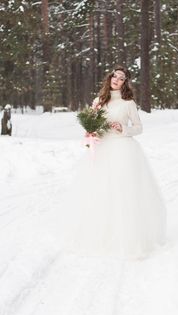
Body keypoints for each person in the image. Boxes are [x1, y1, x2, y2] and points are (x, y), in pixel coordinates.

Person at [49, 65, 167, 260]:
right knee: (98, 191)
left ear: (125, 82)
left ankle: (126, 238)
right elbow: (91, 123)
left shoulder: (128, 103)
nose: (117, 80)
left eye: (121, 78)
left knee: (122, 193)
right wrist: (90, 131)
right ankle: (97, 235)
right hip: (102, 149)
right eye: (115, 76)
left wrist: (123, 128)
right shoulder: (98, 100)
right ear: (110, 77)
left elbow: (139, 127)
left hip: (123, 149)